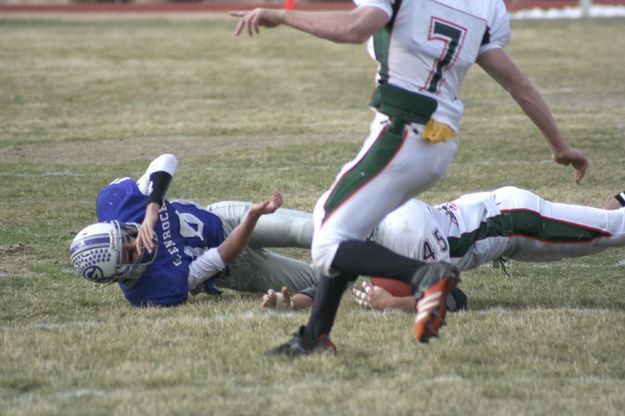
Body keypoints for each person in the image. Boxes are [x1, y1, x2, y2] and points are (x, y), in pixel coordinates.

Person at [231, 0, 589, 354]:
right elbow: (518, 84)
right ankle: (315, 337)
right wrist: (559, 146)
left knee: (327, 243)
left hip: (403, 133)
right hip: (437, 142)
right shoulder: (482, 5)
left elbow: (356, 27)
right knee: (335, 222)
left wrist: (280, 15)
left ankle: (425, 276)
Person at [262, 186, 625, 312]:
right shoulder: (371, 228)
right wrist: (292, 301)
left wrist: (394, 303)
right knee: (601, 226)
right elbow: (336, 277)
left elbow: (455, 299)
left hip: (516, 222)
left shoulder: (407, 230)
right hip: (496, 223)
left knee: (609, 231)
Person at [69, 153, 320, 307]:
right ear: (119, 275)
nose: (134, 245)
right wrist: (252, 216)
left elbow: (166, 160)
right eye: (126, 255)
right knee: (318, 280)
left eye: (124, 239)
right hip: (236, 267)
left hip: (222, 218)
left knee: (314, 230)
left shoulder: (116, 202)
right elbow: (221, 256)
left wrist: (152, 208)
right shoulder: (153, 289)